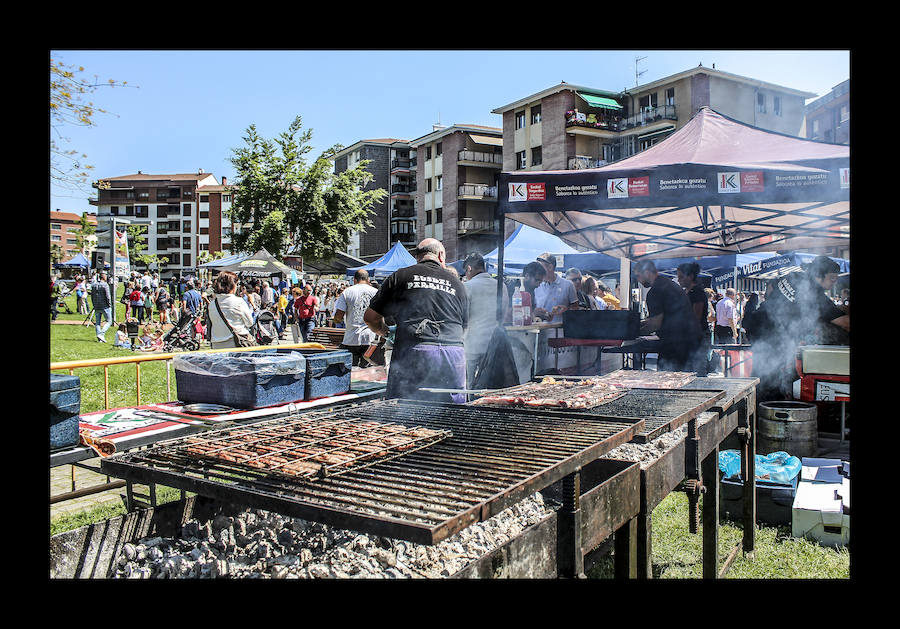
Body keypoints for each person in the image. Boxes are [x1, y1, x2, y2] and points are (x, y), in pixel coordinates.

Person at [364, 238, 468, 404]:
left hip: (414, 352)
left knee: (406, 412)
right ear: (441, 256)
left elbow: (370, 318)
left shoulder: (401, 276)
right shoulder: (458, 284)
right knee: (453, 415)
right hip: (453, 355)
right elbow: (464, 328)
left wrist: (385, 331)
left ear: (417, 257)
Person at [634, 260, 701, 372]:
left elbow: (656, 324)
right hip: (690, 343)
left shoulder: (655, 291)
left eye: (638, 275)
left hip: (676, 345)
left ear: (646, 272)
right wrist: (641, 323)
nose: (638, 280)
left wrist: (633, 330)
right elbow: (667, 315)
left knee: (668, 381)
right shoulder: (669, 284)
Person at [462, 252, 508, 386]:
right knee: (492, 385)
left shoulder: (467, 287)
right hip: (495, 344)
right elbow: (503, 314)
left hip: (473, 345)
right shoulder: (501, 286)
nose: (466, 275)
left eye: (465, 271)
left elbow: (464, 317)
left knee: (470, 385)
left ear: (469, 268)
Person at [333, 269, 381, 366]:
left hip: (351, 338)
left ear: (354, 279)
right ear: (368, 279)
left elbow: (338, 316)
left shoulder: (347, 292)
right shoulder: (376, 292)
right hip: (370, 338)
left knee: (351, 371)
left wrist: (336, 320)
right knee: (368, 372)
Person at [677, 262, 712, 374]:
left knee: (698, 370)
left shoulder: (697, 292)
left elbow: (696, 317)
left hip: (698, 337)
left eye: (681, 277)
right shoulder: (685, 292)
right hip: (688, 338)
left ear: (690, 276)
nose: (679, 280)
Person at [207, 270, 255, 349]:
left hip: (216, 344)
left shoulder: (212, 304)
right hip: (236, 342)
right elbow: (250, 322)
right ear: (233, 285)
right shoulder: (238, 302)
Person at [533, 253, 579, 323]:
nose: (537, 270)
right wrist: (535, 312)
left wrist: (566, 310)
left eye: (540, 267)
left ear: (550, 267)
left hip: (560, 331)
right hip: (540, 331)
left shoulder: (568, 285)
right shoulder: (536, 286)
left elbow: (576, 308)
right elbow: (531, 309)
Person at [90, 271, 113, 342]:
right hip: (105, 306)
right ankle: (101, 334)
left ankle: (99, 338)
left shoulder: (93, 285)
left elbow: (92, 296)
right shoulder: (105, 285)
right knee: (109, 321)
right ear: (104, 276)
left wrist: (94, 304)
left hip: (96, 305)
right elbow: (108, 296)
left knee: (98, 323)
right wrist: (109, 304)